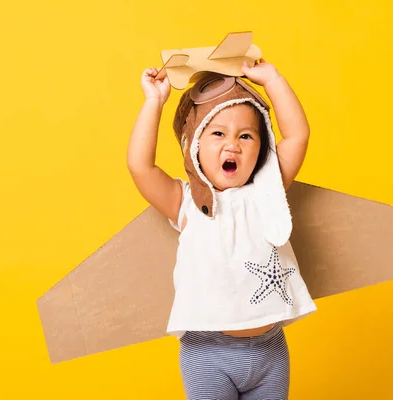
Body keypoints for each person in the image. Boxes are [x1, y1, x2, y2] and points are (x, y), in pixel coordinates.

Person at [127, 58, 317, 400]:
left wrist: (272, 79)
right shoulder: (185, 203)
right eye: (218, 133)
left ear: (262, 149)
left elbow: (298, 135)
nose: (233, 145)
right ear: (194, 145)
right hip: (207, 353)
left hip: (270, 350)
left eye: (246, 135)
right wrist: (153, 102)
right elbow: (141, 167)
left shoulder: (267, 192)